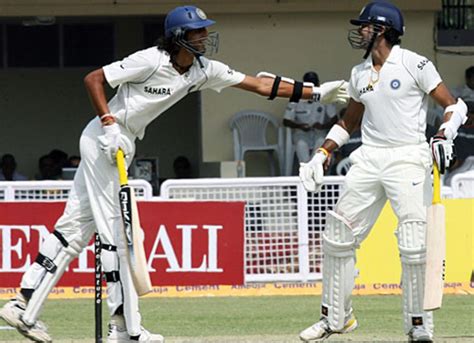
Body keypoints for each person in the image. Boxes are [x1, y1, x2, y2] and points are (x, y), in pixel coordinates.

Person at [0, 5, 349, 342]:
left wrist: (316, 91)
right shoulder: (150, 60)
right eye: (198, 32)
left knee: (73, 230)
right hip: (104, 141)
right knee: (119, 239)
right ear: (179, 36)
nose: (204, 38)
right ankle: (125, 330)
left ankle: (22, 306)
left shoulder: (202, 70)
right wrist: (109, 126)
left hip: (122, 144)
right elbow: (94, 79)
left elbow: (258, 84)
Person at [298, 1, 468, 342]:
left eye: (365, 26)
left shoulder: (415, 64)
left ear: (384, 30)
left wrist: (444, 133)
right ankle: (336, 318)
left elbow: (453, 105)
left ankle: (419, 325)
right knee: (337, 235)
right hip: (369, 159)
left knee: (413, 243)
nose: (359, 31)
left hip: (408, 158)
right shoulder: (359, 73)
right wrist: (321, 154)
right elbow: (349, 121)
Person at [283, 71, 338, 164]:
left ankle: (313, 167)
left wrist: (323, 126)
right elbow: (286, 121)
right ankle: (306, 168)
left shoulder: (324, 97)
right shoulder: (295, 99)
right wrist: (300, 126)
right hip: (301, 134)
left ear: (318, 84)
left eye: (314, 84)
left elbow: (335, 119)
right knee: (301, 145)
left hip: (319, 132)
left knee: (321, 142)